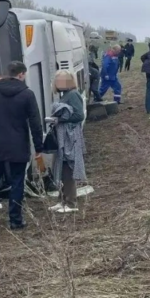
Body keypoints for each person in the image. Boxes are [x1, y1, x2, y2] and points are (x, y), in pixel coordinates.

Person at [0, 61, 45, 232]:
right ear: (21, 74)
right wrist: (39, 146)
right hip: (18, 146)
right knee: (17, 182)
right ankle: (15, 220)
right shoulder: (27, 94)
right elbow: (35, 122)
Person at [47, 71, 87, 213]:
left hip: (70, 138)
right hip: (64, 136)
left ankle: (71, 202)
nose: (58, 83)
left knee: (68, 168)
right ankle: (62, 200)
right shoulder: (65, 95)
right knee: (62, 168)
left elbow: (79, 115)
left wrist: (59, 119)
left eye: (61, 80)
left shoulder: (73, 95)